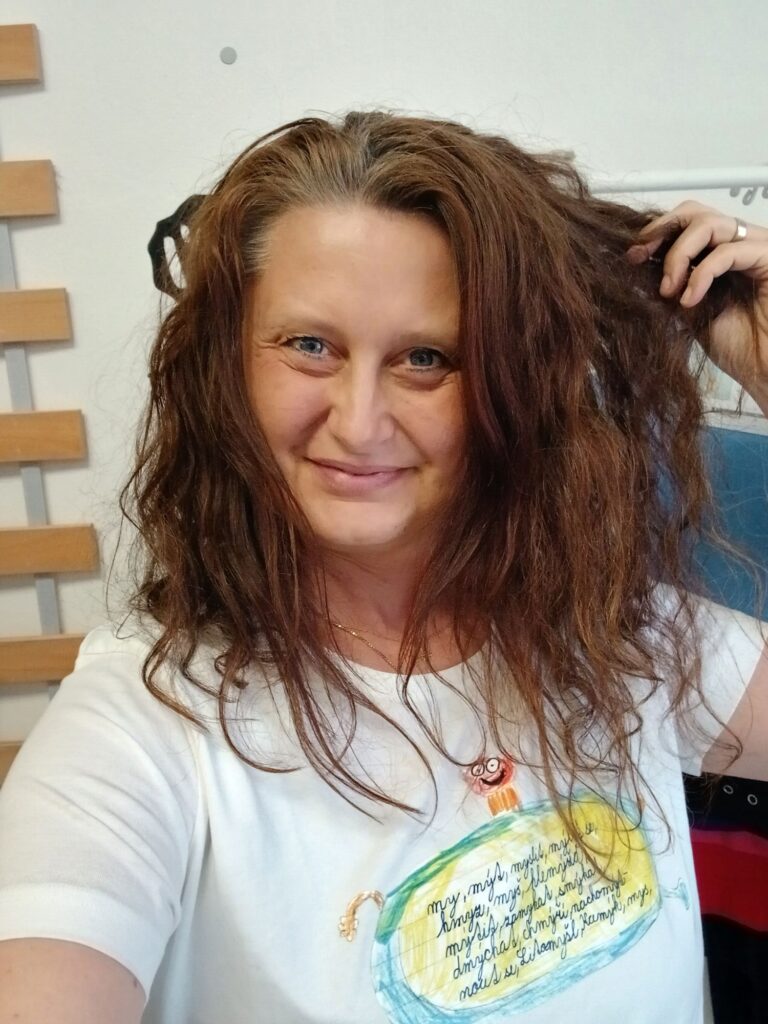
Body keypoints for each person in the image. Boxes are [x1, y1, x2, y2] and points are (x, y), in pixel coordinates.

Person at [0, 110, 766, 1024]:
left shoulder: (623, 637)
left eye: (425, 358)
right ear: (227, 367)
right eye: (309, 346)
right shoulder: (143, 720)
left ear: (513, 386)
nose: (359, 423)